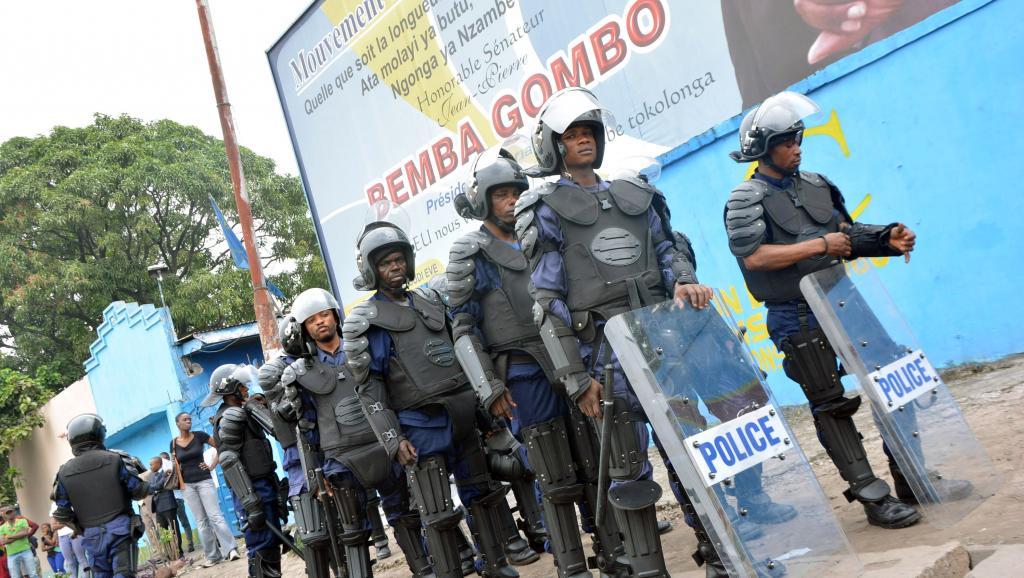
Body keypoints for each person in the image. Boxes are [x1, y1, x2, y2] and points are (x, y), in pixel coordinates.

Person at [514, 86, 773, 577]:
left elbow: (669, 253)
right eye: (571, 135)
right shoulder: (544, 207)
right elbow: (547, 302)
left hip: (665, 339)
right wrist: (575, 379)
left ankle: (722, 556)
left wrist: (686, 283)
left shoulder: (637, 195)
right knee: (627, 470)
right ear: (554, 145)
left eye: (588, 132)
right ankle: (650, 568)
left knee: (692, 450)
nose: (583, 141)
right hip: (604, 355)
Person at [723, 90, 927, 529]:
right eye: (786, 141)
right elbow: (754, 258)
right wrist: (818, 245)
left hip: (843, 297)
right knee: (830, 403)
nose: (797, 147)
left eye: (798, 138)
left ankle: (910, 475)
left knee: (892, 376)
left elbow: (844, 234)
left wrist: (884, 239)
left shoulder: (816, 184)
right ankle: (874, 498)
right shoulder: (744, 200)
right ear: (762, 148)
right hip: (794, 312)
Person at [449, 147, 633, 577]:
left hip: (569, 355)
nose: (512, 200)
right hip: (521, 369)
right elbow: (462, 327)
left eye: (516, 191)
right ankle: (571, 565)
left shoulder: (543, 231)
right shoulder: (470, 253)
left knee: (593, 458)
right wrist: (489, 388)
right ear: (482, 200)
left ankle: (611, 548)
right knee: (552, 472)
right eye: (501, 195)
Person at [343, 218, 521, 578]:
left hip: (463, 415)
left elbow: (461, 354)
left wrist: (485, 412)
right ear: (371, 270)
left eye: (397, 259)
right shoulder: (368, 320)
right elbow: (370, 388)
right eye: (384, 263)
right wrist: (393, 440)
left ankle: (496, 564)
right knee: (437, 512)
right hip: (419, 424)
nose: (394, 267)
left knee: (483, 496)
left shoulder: (432, 299)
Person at [263, 288, 433, 578]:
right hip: (339, 460)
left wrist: (401, 438)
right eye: (312, 319)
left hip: (383, 446)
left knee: (405, 516)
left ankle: (425, 570)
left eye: (324, 315)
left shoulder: (364, 350)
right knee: (353, 532)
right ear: (304, 328)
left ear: (335, 315)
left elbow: (393, 396)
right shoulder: (299, 374)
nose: (320, 322)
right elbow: (306, 428)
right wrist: (316, 475)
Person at [200, 364, 284, 578]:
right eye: (242, 387)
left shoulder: (243, 411)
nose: (246, 390)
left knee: (272, 543)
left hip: (264, 485)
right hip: (250, 490)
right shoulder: (229, 417)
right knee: (261, 543)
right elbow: (228, 461)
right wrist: (250, 503)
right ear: (231, 390)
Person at [51, 414, 149, 578]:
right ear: (99, 434)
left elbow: (62, 512)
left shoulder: (63, 472)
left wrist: (80, 527)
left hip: (92, 535)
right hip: (120, 528)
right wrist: (148, 483)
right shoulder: (116, 458)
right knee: (123, 573)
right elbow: (137, 491)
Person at [169, 413, 238, 567]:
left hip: (204, 481)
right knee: (201, 522)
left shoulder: (200, 436)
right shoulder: (173, 443)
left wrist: (212, 465)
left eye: (190, 419)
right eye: (185, 420)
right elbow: (176, 466)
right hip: (187, 486)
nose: (188, 421)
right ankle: (213, 556)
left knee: (215, 516)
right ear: (178, 423)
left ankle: (231, 549)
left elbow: (220, 447)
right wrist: (180, 484)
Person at [147, 458, 184, 562]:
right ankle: (170, 553)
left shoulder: (166, 473)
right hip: (158, 507)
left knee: (173, 530)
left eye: (151, 464)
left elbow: (159, 485)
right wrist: (155, 488)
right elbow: (150, 489)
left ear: (158, 464)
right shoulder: (153, 476)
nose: (150, 467)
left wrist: (154, 488)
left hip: (168, 505)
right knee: (163, 532)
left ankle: (179, 552)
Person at [0, 506, 37, 578]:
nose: (10, 514)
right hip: (11, 554)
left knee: (33, 574)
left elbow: (25, 533)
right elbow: (3, 541)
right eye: (7, 513)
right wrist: (20, 535)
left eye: (11, 512)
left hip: (25, 550)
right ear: (4, 515)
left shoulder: (22, 521)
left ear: (14, 512)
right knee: (15, 576)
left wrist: (8, 537)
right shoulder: (1, 527)